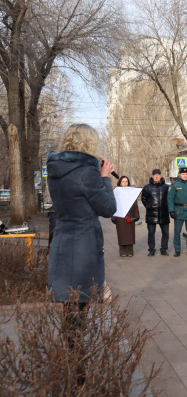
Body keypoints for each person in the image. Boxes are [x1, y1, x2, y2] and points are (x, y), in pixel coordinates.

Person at [47, 123, 117, 302]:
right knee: (80, 304)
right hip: (83, 244)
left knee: (68, 306)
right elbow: (108, 208)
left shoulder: (55, 169)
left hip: (62, 240)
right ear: (88, 143)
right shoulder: (86, 173)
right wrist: (105, 177)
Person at [141, 169, 171, 256]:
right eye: (155, 175)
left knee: (165, 233)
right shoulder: (147, 187)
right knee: (151, 233)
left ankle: (164, 249)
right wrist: (149, 206)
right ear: (152, 176)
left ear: (161, 176)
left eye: (158, 174)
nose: (157, 176)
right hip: (151, 214)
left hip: (164, 214)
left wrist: (167, 207)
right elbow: (144, 199)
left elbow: (169, 199)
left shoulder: (166, 187)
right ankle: (151, 249)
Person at [111, 176, 139, 257]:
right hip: (120, 216)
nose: (125, 183)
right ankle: (122, 251)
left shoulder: (132, 192)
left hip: (130, 216)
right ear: (120, 182)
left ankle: (130, 251)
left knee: (130, 234)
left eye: (126, 181)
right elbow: (113, 204)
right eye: (123, 181)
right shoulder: (116, 192)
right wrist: (113, 217)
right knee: (121, 235)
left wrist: (136, 216)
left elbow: (135, 205)